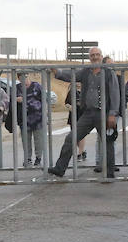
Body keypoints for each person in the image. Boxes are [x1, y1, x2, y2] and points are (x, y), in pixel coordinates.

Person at [47, 46, 120, 179]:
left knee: (107, 142)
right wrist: (57, 72)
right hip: (87, 113)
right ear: (89, 58)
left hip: (104, 113)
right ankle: (60, 168)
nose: (95, 57)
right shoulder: (86, 72)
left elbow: (115, 94)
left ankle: (109, 172)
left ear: (101, 56)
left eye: (97, 54)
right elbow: (71, 76)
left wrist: (112, 114)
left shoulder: (109, 73)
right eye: (92, 55)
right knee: (71, 138)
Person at [14, 72, 47, 167]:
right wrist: (16, 99)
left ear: (28, 76)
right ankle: (27, 158)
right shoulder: (17, 88)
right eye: (21, 77)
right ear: (19, 78)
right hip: (24, 119)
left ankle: (38, 158)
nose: (24, 78)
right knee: (25, 140)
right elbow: (11, 100)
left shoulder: (37, 86)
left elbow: (44, 99)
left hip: (38, 118)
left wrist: (46, 115)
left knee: (39, 139)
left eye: (26, 76)